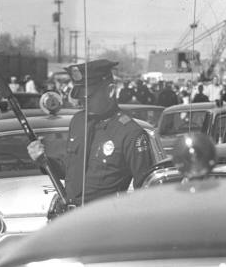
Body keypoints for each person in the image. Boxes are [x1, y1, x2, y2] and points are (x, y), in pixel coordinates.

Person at [27, 59, 153, 205]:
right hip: (71, 218)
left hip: (103, 221)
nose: (83, 102)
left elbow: (146, 193)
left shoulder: (130, 134)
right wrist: (44, 161)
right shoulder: (78, 122)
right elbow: (71, 171)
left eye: (89, 97)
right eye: (81, 98)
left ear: (110, 91)